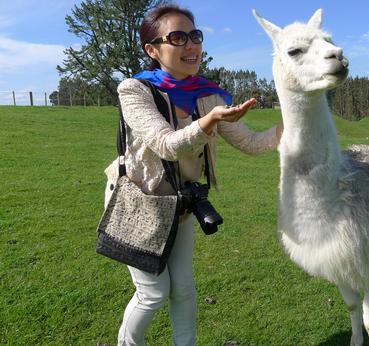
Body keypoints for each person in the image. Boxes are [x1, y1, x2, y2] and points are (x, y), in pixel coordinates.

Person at [103, 4, 282, 345]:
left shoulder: (207, 94)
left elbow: (252, 143)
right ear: (152, 50)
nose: (191, 45)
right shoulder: (135, 90)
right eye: (178, 37)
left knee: (183, 288)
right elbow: (166, 145)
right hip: (139, 202)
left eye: (194, 36)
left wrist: (296, 122)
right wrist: (209, 121)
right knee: (153, 293)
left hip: (181, 202)